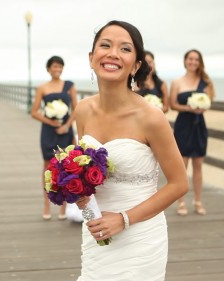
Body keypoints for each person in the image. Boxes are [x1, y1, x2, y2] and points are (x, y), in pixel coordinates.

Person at [73, 20, 188, 280]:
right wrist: (76, 191)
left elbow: (179, 184)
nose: (113, 53)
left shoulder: (151, 117)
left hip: (140, 238)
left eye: (125, 49)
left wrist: (123, 219)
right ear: (92, 58)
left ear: (136, 65)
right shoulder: (82, 110)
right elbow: (86, 173)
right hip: (97, 233)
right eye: (105, 45)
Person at [31, 55, 78, 220]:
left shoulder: (69, 86)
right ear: (48, 69)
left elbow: (76, 109)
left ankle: (63, 207)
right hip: (49, 131)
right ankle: (47, 205)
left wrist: (66, 126)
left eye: (60, 67)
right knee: (47, 167)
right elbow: (34, 112)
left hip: (65, 132)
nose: (57, 70)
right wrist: (50, 121)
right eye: (54, 67)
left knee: (65, 167)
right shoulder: (42, 88)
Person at [170, 49, 216, 216]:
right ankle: (181, 202)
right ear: (185, 61)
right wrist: (188, 108)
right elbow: (173, 104)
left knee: (198, 165)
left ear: (200, 62)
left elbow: (209, 102)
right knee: (182, 165)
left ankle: (198, 201)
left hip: (199, 126)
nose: (193, 62)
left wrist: (202, 106)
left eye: (196, 59)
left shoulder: (205, 82)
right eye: (190, 59)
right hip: (183, 124)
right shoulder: (177, 82)